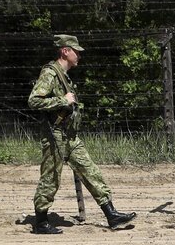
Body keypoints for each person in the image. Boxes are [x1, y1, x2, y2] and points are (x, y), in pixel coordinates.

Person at [28, 34, 135, 234]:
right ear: (65, 51)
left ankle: (111, 214)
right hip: (55, 135)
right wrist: (62, 101)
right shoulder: (50, 74)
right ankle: (41, 222)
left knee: (90, 170)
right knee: (50, 178)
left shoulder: (64, 76)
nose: (79, 55)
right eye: (75, 51)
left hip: (70, 136)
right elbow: (34, 101)